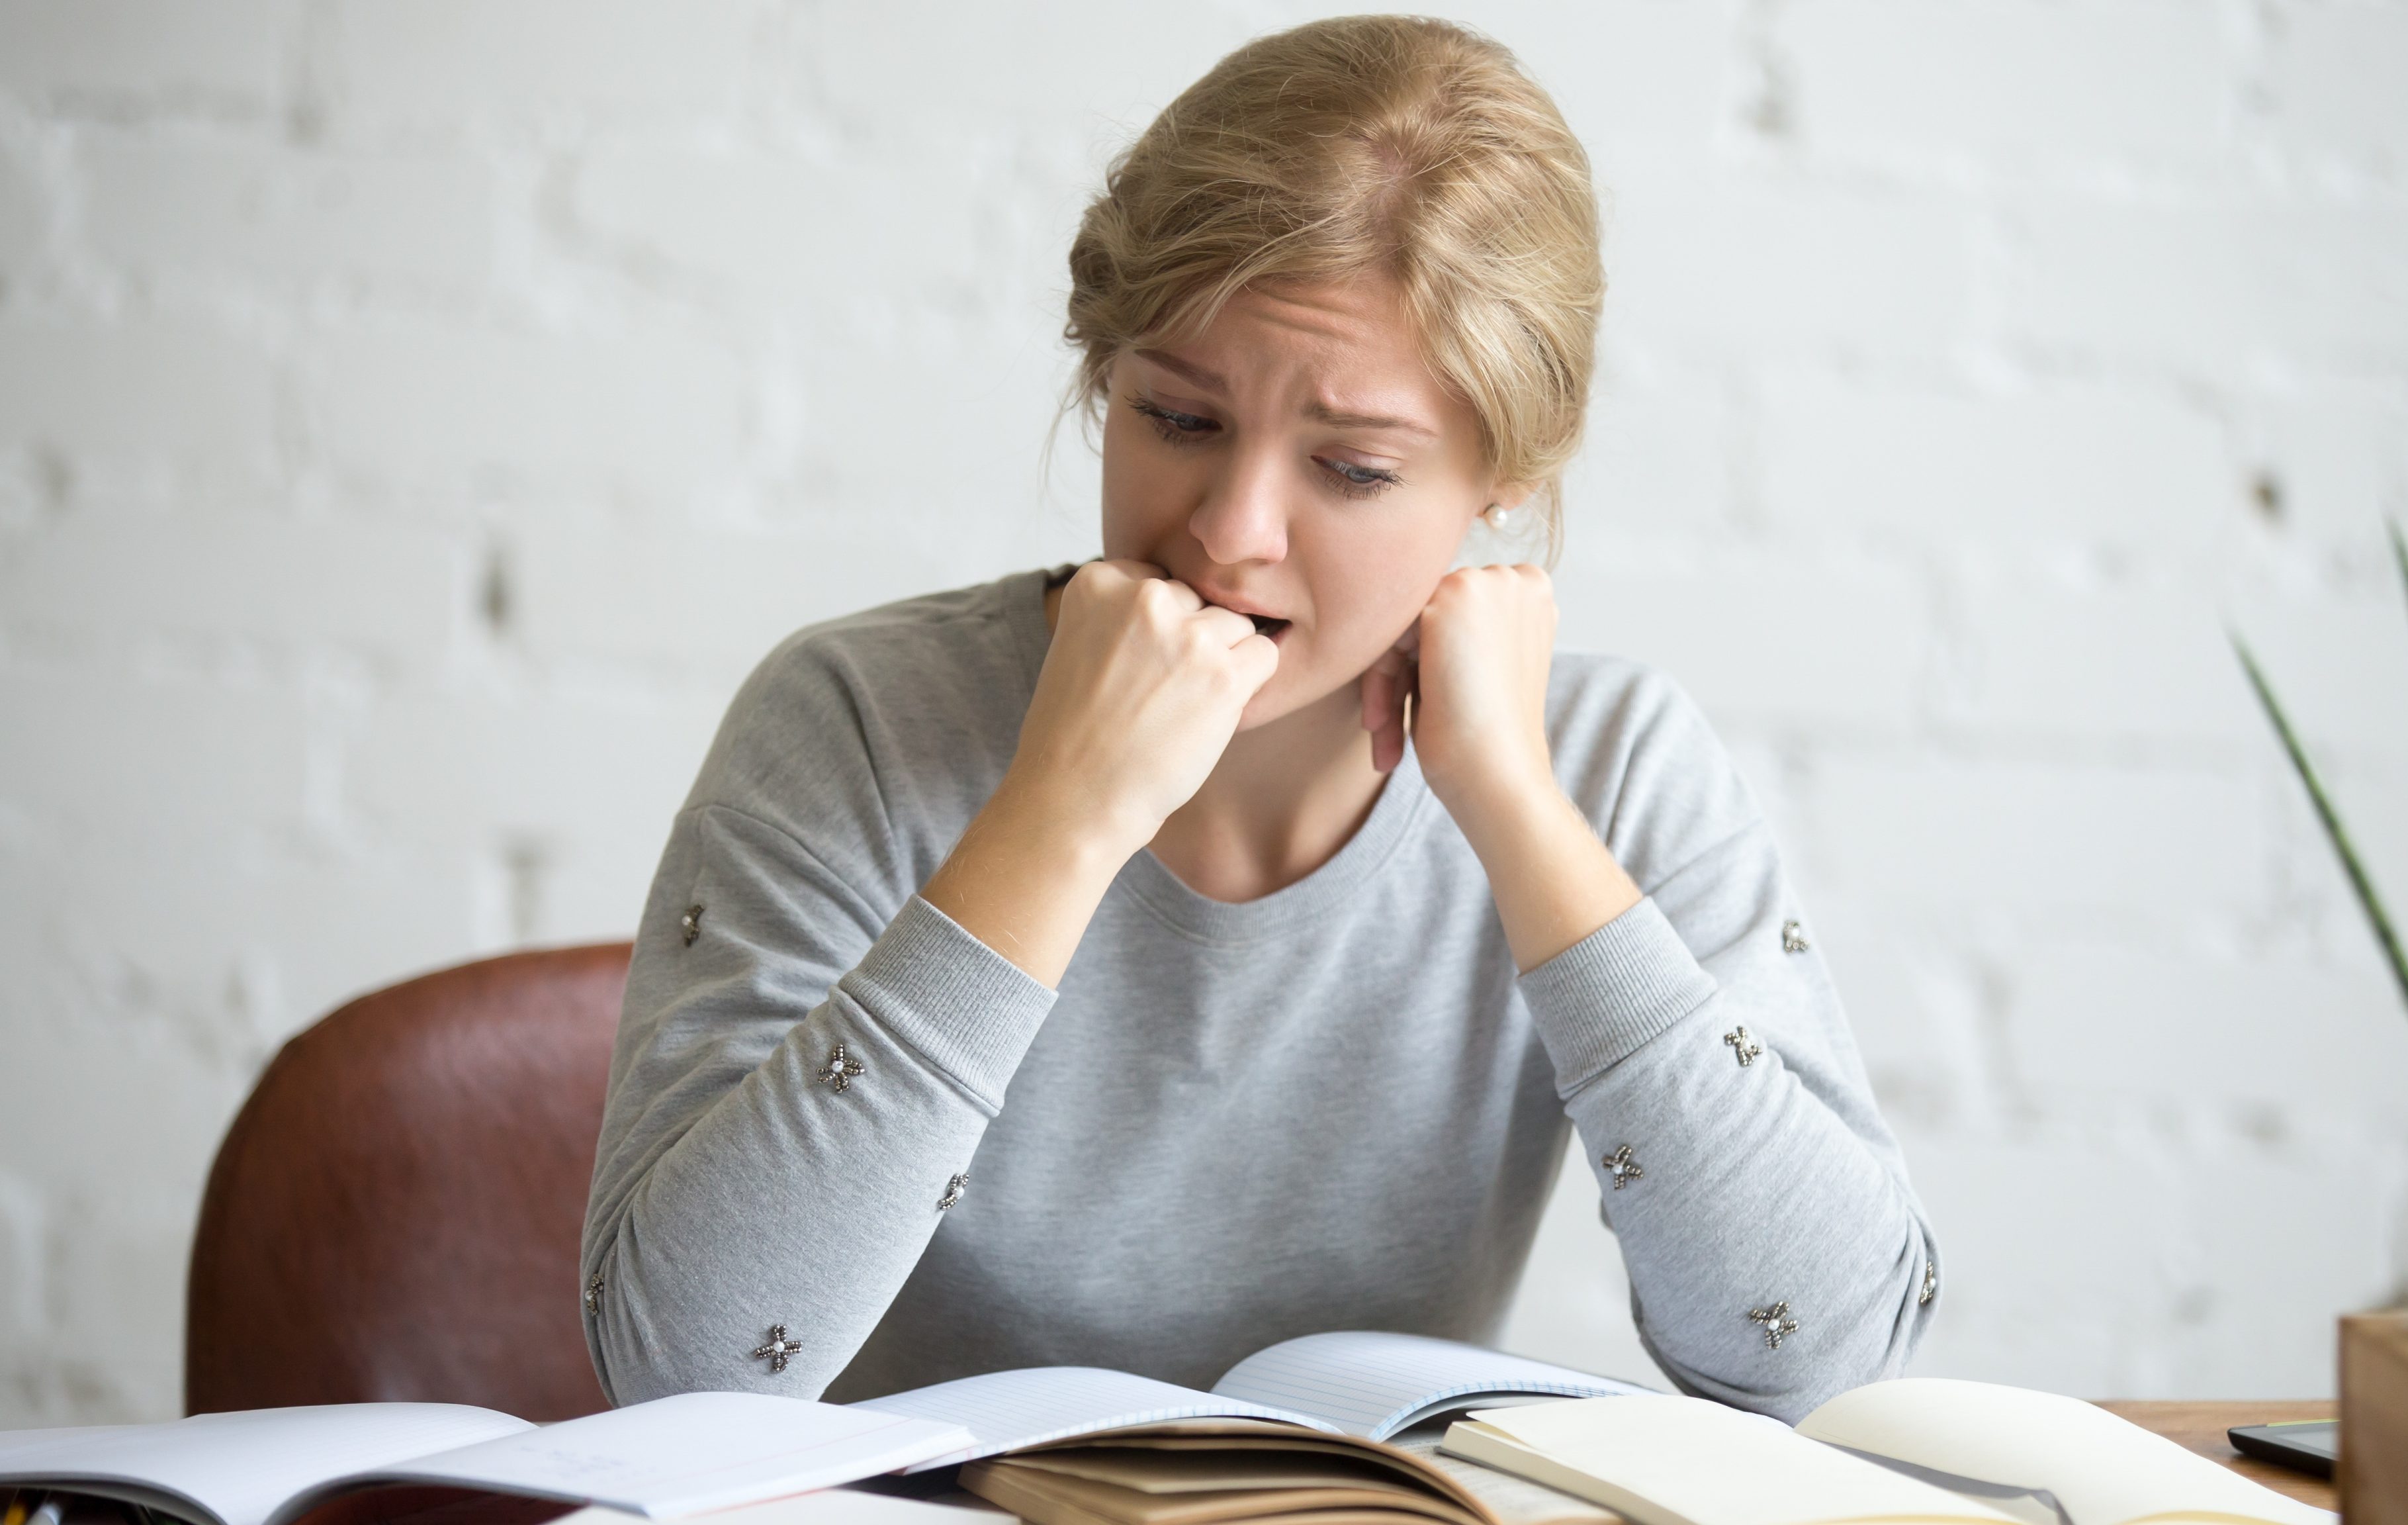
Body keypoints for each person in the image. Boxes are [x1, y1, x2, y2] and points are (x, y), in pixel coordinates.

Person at [580, 14, 1936, 1424]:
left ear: (1505, 476)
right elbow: (680, 1364)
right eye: (1175, 419)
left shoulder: (1612, 768)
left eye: (1348, 468)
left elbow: (1817, 1351)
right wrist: (1057, 818)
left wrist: (1522, 821)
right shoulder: (859, 720)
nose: (1227, 535)